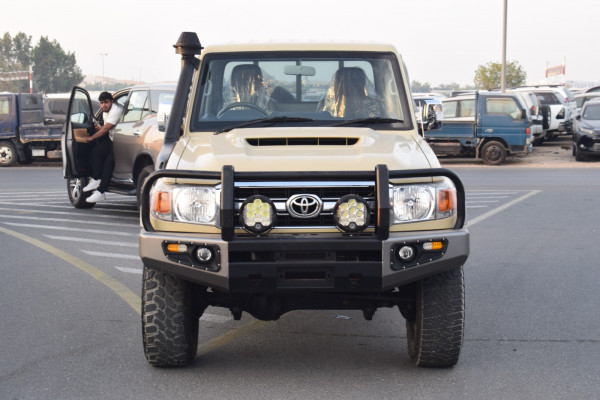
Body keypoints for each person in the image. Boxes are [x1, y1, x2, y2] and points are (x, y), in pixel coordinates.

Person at [81, 91, 122, 202]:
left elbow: (106, 128)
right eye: (102, 103)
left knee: (108, 163)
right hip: (112, 139)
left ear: (112, 102)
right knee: (95, 152)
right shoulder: (105, 112)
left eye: (106, 102)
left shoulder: (116, 111)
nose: (104, 105)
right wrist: (100, 128)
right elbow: (106, 127)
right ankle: (96, 179)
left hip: (120, 142)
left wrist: (92, 137)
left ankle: (100, 191)